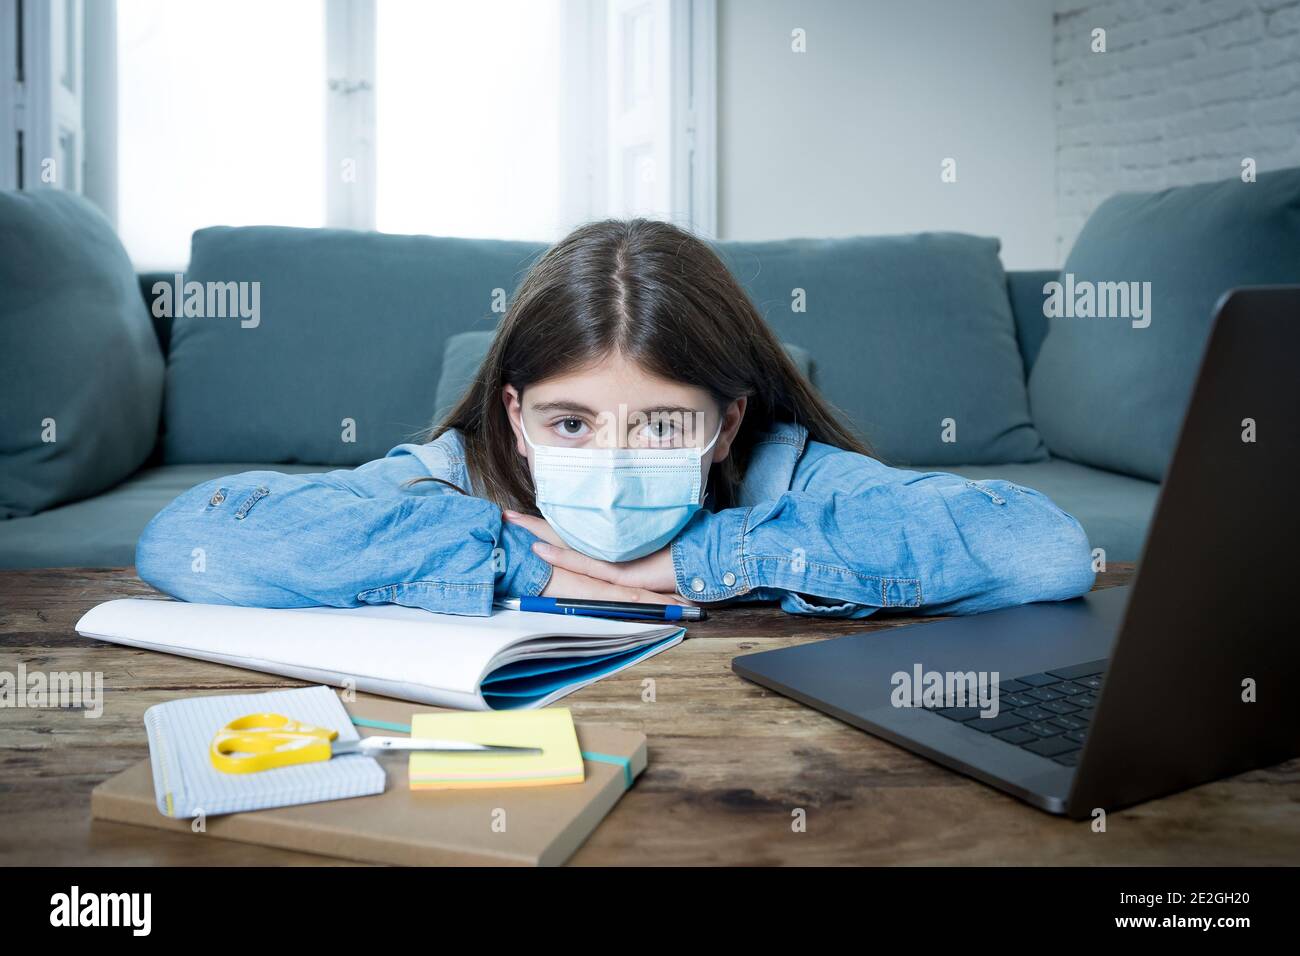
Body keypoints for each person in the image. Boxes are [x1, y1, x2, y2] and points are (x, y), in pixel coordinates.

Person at [136, 218, 1095, 619]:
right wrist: (525, 560)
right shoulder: (456, 472)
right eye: (571, 424)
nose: (615, 457)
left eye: (664, 424)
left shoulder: (780, 474)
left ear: (726, 425)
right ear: (513, 417)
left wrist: (707, 564)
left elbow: (1043, 553)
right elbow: (191, 544)